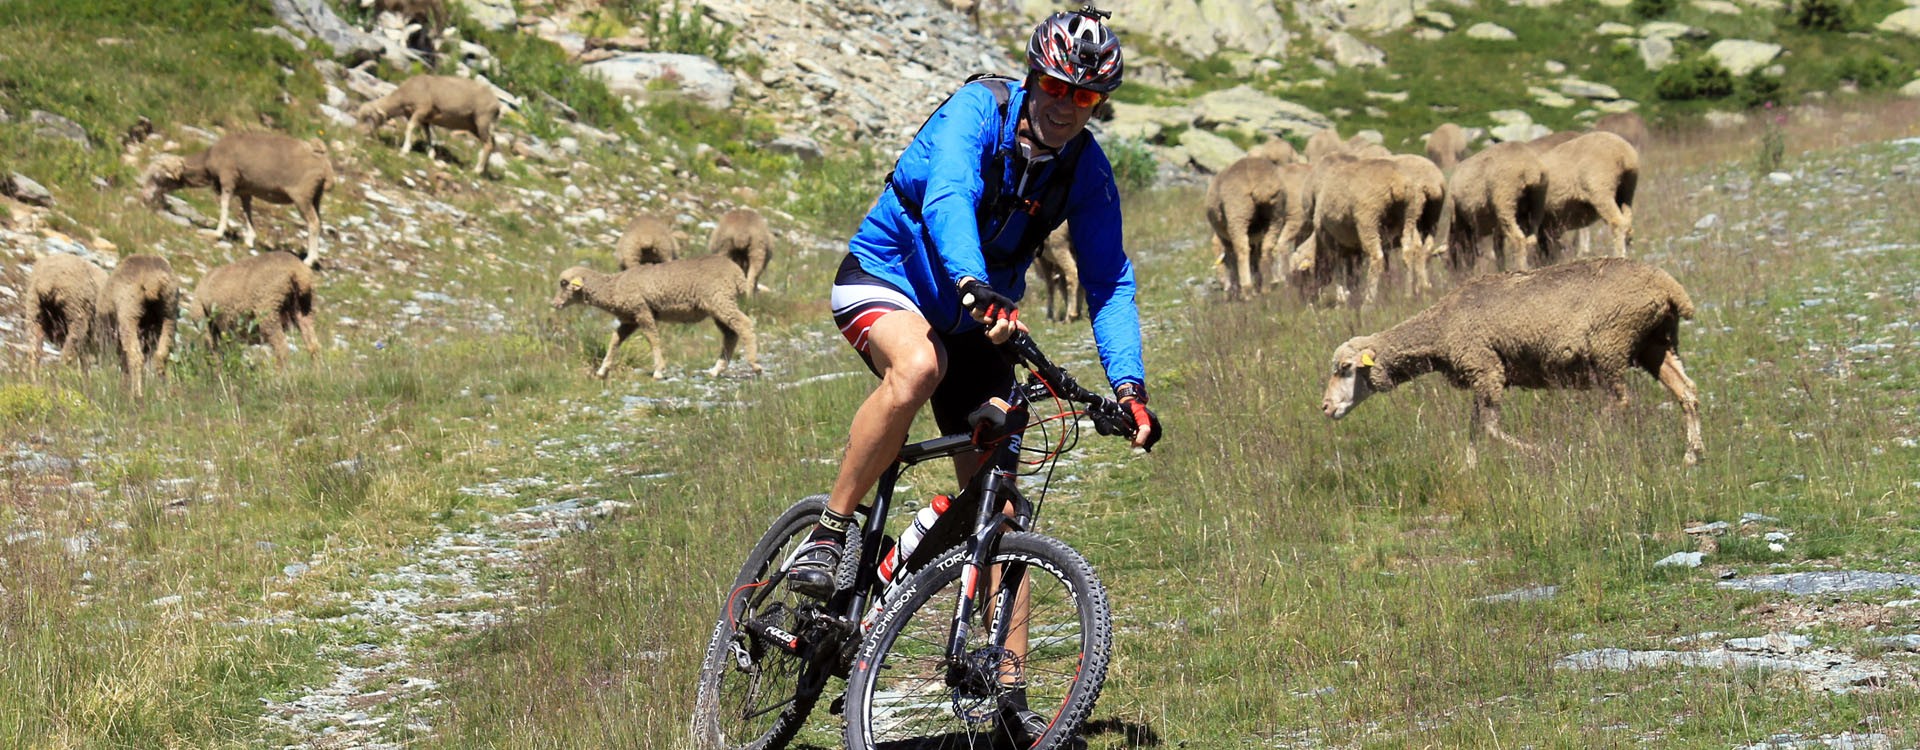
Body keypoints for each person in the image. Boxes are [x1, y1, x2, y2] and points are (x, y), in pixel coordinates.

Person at [788, 6, 1161, 734]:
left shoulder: (1084, 168)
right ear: (1033, 77)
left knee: (1001, 493)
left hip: (976, 317)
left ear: (1098, 105)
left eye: (1084, 97)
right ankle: (832, 530)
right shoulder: (977, 111)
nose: (1064, 105)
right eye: (1055, 86)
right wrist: (971, 280)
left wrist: (1130, 389)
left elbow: (1109, 278)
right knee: (918, 366)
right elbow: (949, 195)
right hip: (889, 278)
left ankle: (1009, 693)